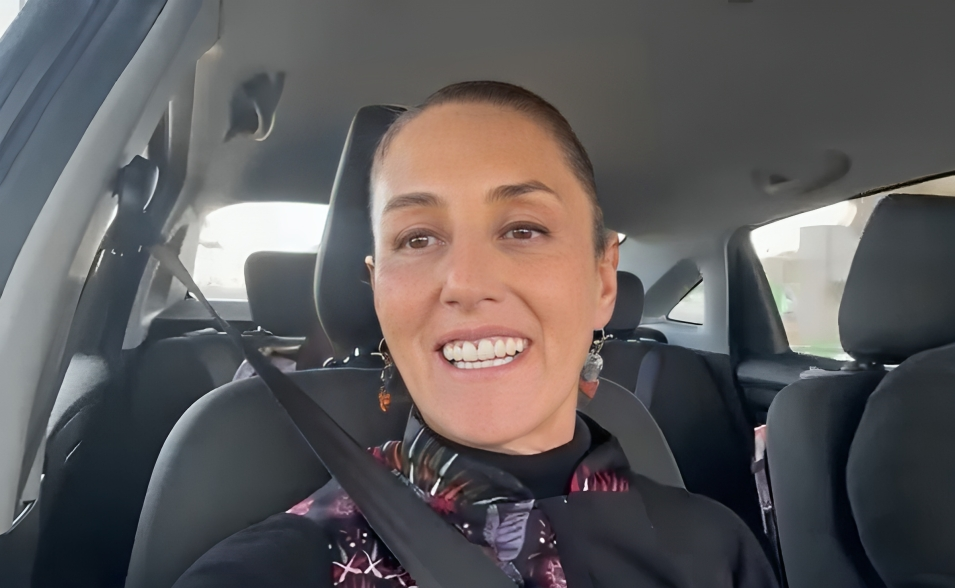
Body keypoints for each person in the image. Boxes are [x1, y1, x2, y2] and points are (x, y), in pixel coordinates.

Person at [174, 81, 777, 587]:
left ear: (601, 279)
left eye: (522, 230)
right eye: (417, 238)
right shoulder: (288, 564)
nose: (465, 282)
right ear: (378, 288)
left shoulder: (717, 549)